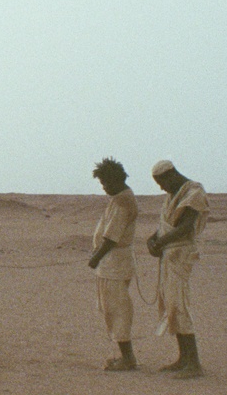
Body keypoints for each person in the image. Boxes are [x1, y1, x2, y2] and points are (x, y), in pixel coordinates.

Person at [147, 160, 209, 379]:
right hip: (168, 254)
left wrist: (161, 242)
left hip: (181, 254)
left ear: (171, 174)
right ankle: (183, 358)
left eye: (161, 183)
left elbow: (185, 228)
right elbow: (164, 226)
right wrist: (153, 240)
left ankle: (194, 364)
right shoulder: (172, 196)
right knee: (172, 306)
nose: (161, 188)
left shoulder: (194, 192)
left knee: (179, 305)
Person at [88, 157, 138, 371]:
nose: (104, 188)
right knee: (111, 308)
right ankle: (124, 356)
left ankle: (128, 359)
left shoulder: (122, 202)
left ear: (116, 180)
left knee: (117, 309)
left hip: (114, 262)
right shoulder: (120, 198)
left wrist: (96, 257)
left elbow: (111, 238)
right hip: (113, 263)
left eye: (105, 183)